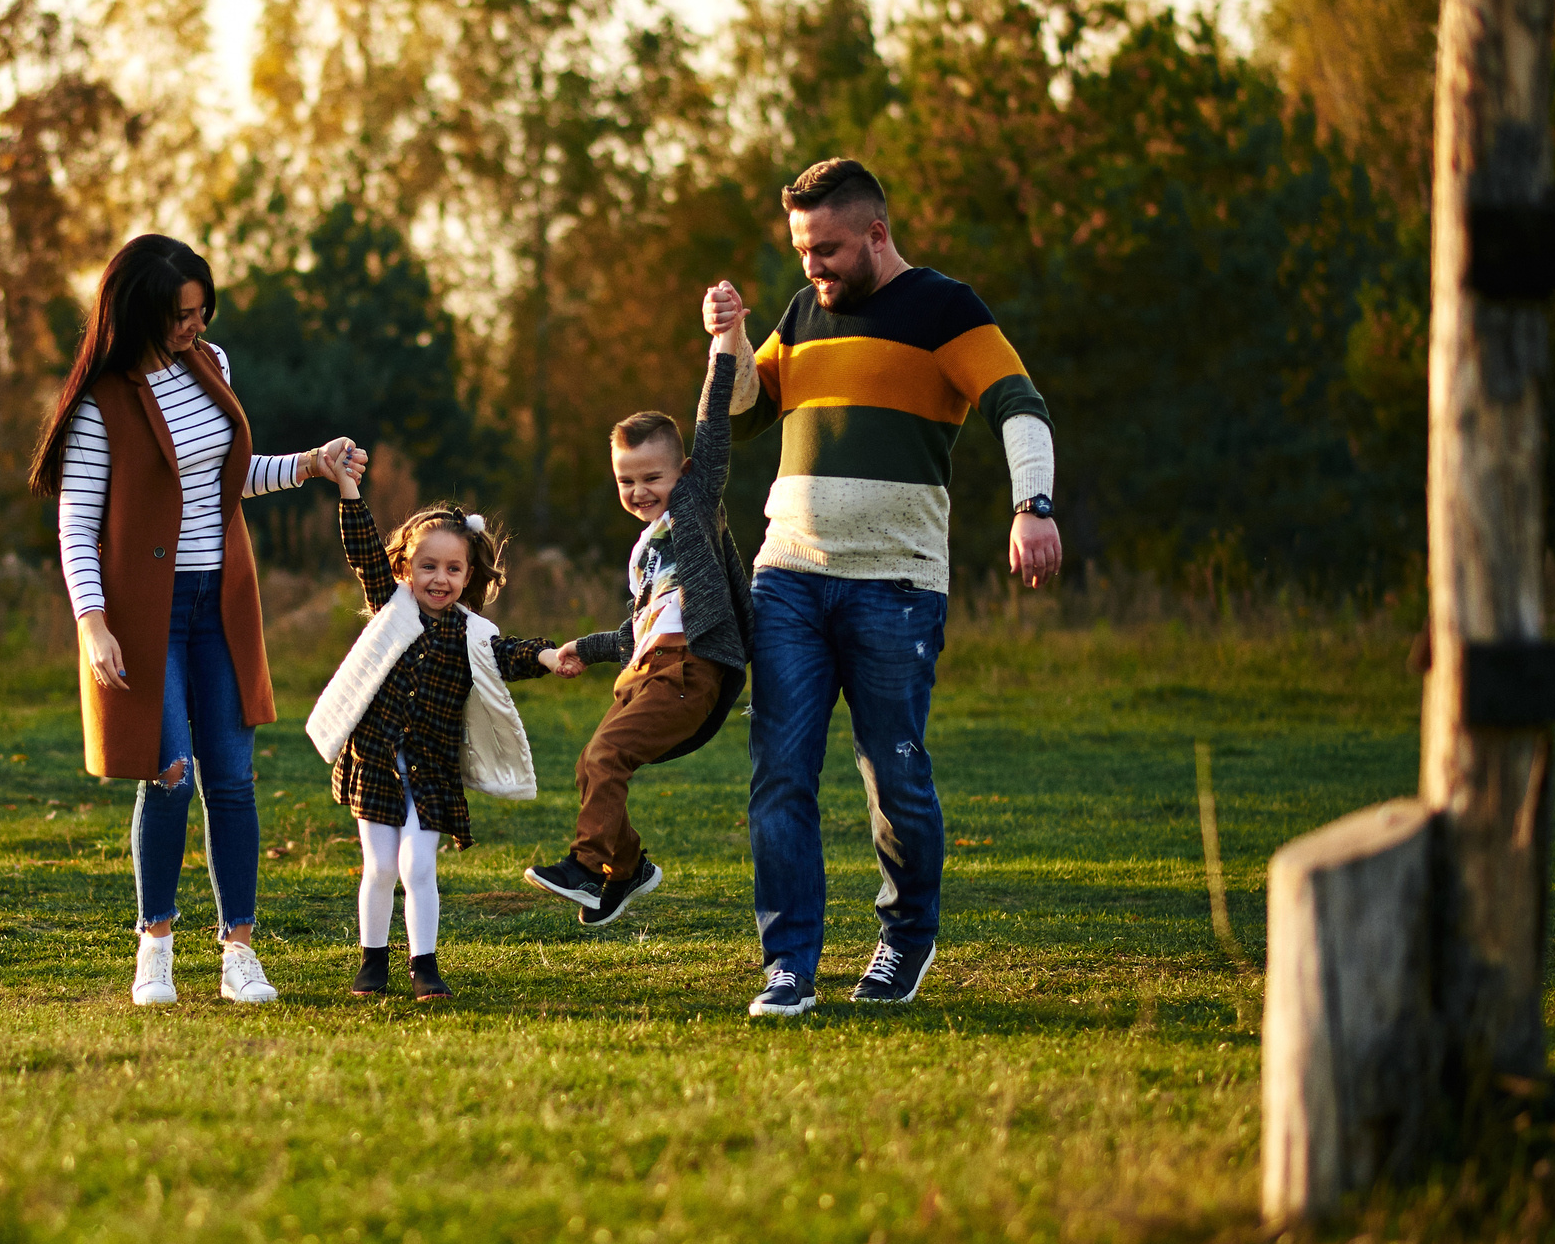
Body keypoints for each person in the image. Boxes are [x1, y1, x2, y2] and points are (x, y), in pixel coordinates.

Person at [707, 157, 1061, 1016]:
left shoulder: (946, 308)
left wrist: (1033, 505)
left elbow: (1019, 403)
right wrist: (727, 340)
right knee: (779, 772)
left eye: (826, 249)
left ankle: (906, 936)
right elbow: (743, 417)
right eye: (801, 250)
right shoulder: (800, 313)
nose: (812, 267)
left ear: (876, 233)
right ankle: (788, 964)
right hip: (789, 575)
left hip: (896, 585)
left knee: (893, 774)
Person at [28, 233, 362, 1008]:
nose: (196, 325)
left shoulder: (212, 366)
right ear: (141, 310)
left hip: (222, 604)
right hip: (145, 613)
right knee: (170, 773)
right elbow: (77, 525)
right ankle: (155, 946)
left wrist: (310, 463)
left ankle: (239, 950)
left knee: (233, 778)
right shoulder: (100, 403)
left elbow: (227, 479)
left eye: (202, 310)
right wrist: (92, 622)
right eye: (182, 313)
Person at [304, 450, 570, 1001]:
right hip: (375, 761)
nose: (440, 579)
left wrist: (548, 656)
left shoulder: (472, 634)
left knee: (417, 865)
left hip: (432, 770)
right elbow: (364, 552)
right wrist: (349, 490)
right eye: (428, 566)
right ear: (406, 569)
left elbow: (509, 654)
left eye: (453, 569)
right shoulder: (391, 605)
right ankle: (373, 961)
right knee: (380, 866)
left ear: (469, 575)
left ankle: (424, 964)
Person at [523, 336, 753, 928]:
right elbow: (638, 630)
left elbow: (713, 429)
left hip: (689, 669)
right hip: (646, 671)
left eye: (653, 477)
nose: (639, 491)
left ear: (684, 473)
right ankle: (625, 868)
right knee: (591, 765)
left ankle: (585, 865)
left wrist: (722, 347)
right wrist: (586, 647)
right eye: (626, 481)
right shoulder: (647, 551)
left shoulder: (693, 509)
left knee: (607, 755)